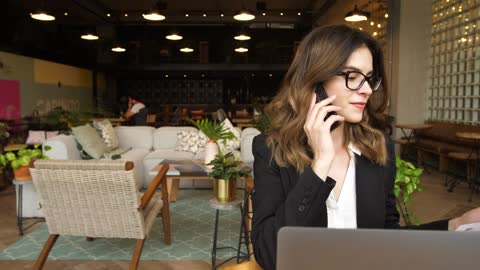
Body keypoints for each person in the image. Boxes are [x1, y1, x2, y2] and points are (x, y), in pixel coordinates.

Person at [251, 24, 480, 270]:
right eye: (353, 76)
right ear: (315, 81)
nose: (367, 90)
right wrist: (320, 165)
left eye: (370, 78)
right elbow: (269, 254)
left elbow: (386, 237)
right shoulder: (271, 150)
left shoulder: (377, 149)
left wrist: (454, 225)